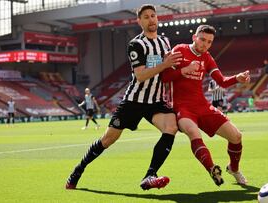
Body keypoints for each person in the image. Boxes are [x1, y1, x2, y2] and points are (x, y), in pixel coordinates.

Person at [65, 4, 182, 190]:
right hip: (134, 100)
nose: (151, 19)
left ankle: (150, 175)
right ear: (139, 21)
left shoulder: (165, 42)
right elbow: (141, 75)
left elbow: (168, 67)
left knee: (171, 127)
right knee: (108, 139)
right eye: (146, 17)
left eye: (153, 15)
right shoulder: (136, 44)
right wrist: (165, 63)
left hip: (156, 101)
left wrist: (180, 67)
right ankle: (78, 170)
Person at [162, 25, 250, 186]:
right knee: (193, 132)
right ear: (194, 37)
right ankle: (212, 169)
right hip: (182, 107)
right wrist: (185, 70)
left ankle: (234, 169)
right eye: (202, 40)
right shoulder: (179, 50)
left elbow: (221, 81)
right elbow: (164, 77)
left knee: (236, 136)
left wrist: (237, 78)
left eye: (209, 42)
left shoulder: (207, 57)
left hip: (202, 106)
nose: (205, 44)